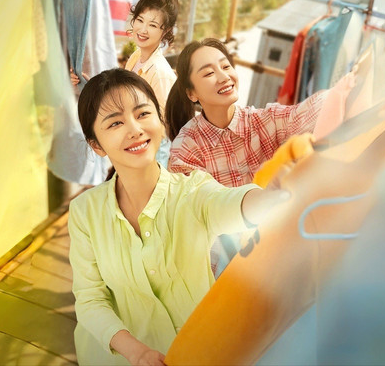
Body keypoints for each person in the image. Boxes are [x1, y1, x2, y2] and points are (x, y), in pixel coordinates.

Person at [69, 68, 288, 365]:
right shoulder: (84, 212)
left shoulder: (193, 190)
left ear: (160, 121)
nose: (135, 129)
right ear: (96, 145)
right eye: (116, 122)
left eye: (143, 113)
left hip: (195, 354)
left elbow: (228, 203)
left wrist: (270, 197)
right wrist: (137, 352)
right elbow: (90, 300)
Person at [164, 38, 331, 277]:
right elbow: (199, 215)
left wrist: (347, 89)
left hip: (276, 256)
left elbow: (305, 115)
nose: (223, 77)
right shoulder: (186, 149)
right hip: (223, 272)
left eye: (226, 66)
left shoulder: (261, 120)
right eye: (209, 73)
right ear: (192, 93)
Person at [72, 0, 179, 167]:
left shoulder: (160, 73)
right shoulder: (137, 57)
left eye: (152, 25)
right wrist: (91, 86)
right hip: (134, 144)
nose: (143, 29)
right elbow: (124, 96)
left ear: (166, 31)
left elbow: (163, 127)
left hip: (152, 152)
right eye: (140, 20)